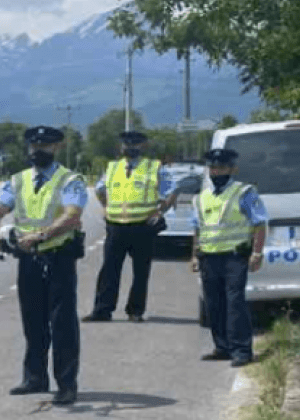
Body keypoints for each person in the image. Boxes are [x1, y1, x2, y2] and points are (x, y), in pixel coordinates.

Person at [0, 125, 88, 405]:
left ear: (56, 148)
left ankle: (66, 384)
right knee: (33, 320)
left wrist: (41, 235)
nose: (37, 151)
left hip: (58, 257)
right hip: (28, 260)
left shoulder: (69, 180)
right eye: (33, 146)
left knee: (62, 322)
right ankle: (35, 378)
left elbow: (72, 216)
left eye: (44, 147)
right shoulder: (18, 180)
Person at [82, 131, 178, 323]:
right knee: (109, 270)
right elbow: (100, 189)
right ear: (121, 147)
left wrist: (160, 211)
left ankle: (135, 311)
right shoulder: (112, 167)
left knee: (141, 271)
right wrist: (106, 207)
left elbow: (172, 190)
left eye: (134, 144)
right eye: (126, 144)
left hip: (142, 227)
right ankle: (102, 310)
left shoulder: (154, 167)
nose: (129, 148)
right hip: (116, 227)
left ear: (143, 146)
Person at [191, 148, 268, 367]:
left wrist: (257, 253)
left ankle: (242, 350)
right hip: (209, 258)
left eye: (222, 167)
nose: (216, 172)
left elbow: (259, 223)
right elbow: (197, 229)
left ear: (233, 169)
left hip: (235, 256)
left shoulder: (244, 192)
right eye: (213, 168)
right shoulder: (201, 197)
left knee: (234, 303)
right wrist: (194, 256)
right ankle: (222, 347)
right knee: (213, 304)